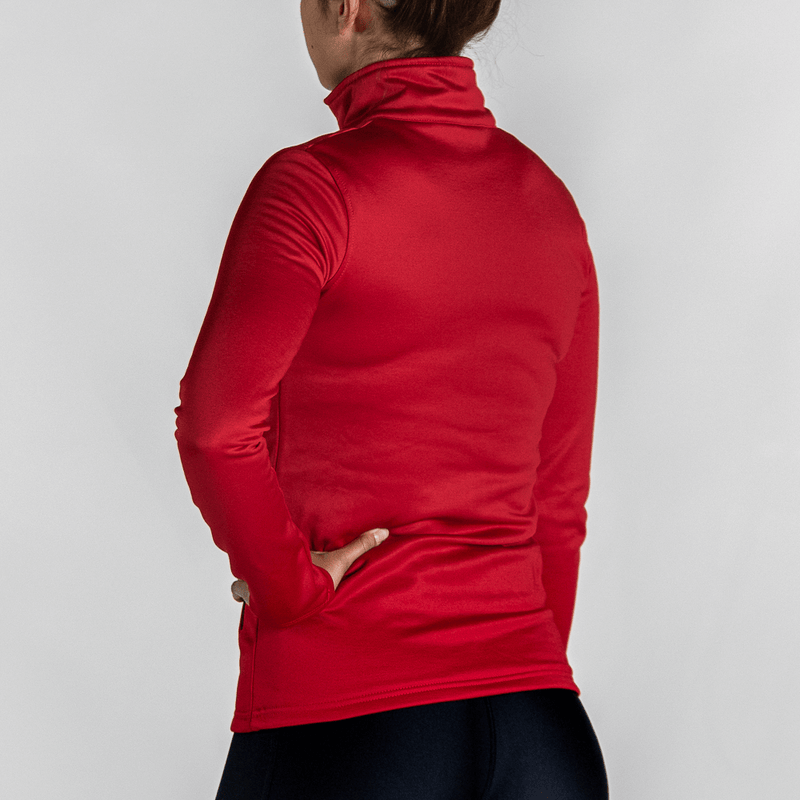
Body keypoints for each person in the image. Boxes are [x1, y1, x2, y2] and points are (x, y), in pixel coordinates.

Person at [174, 0, 609, 797]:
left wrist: (288, 588)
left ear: (348, 7)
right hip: (542, 737)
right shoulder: (549, 206)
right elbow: (557, 502)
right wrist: (517, 663)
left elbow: (216, 428)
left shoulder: (314, 188)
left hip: (354, 723)